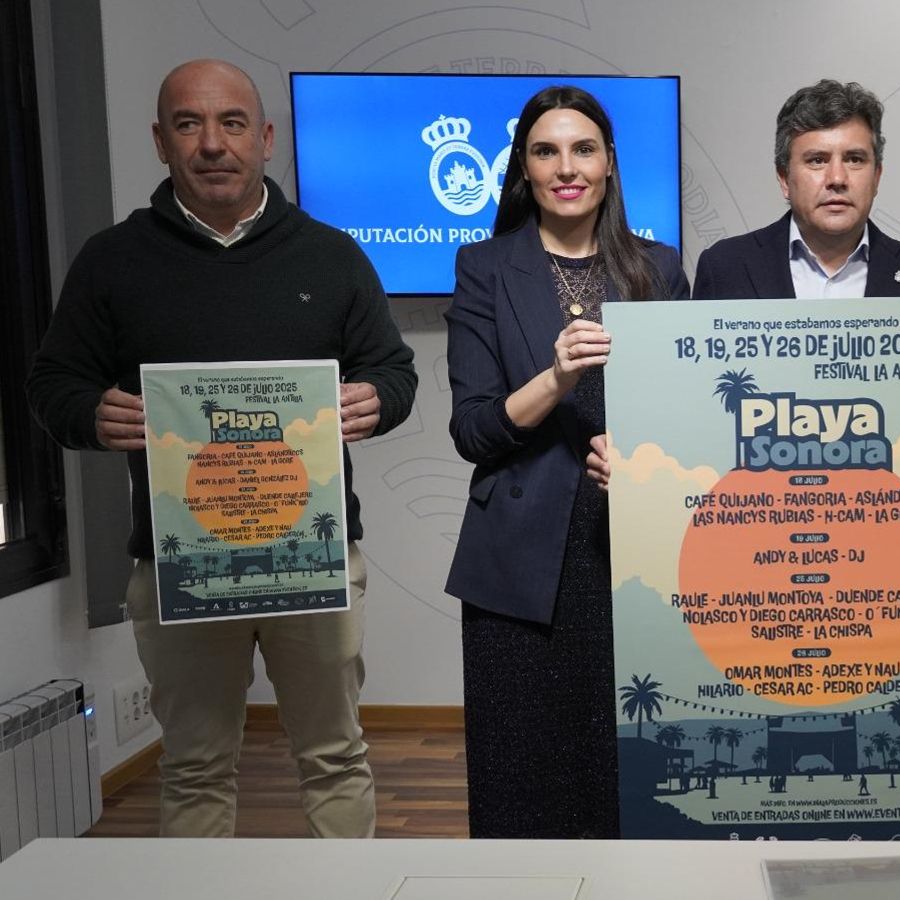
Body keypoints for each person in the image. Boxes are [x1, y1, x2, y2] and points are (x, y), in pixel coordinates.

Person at [26, 59, 416, 838]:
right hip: (183, 562)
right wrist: (91, 414)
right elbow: (53, 382)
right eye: (188, 124)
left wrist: (379, 398)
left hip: (314, 557)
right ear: (160, 142)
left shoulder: (331, 255)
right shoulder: (112, 261)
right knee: (197, 766)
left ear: (265, 138)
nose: (212, 144)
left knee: (335, 755)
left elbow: (392, 369)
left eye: (232, 123)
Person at [443, 85, 691, 838]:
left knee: (632, 768)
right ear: (523, 168)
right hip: (521, 560)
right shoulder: (485, 266)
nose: (566, 167)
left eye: (583, 149)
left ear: (610, 164)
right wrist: (556, 377)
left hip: (634, 544)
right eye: (546, 151)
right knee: (521, 771)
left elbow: (690, 415)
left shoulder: (659, 268)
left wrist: (650, 468)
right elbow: (474, 430)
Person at [692, 79, 900, 300]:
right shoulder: (725, 268)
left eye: (854, 159)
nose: (837, 178)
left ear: (877, 177)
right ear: (784, 178)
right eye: (817, 160)